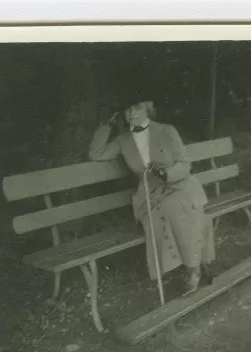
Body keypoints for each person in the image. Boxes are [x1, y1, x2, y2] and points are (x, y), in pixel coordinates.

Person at [88, 91, 215, 296]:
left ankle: (194, 270)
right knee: (161, 213)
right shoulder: (123, 140)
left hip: (180, 187)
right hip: (150, 194)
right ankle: (187, 266)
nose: (131, 113)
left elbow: (184, 163)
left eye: (136, 107)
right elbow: (96, 153)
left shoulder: (166, 131)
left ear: (147, 108)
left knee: (174, 208)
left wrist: (167, 173)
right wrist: (108, 125)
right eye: (127, 109)